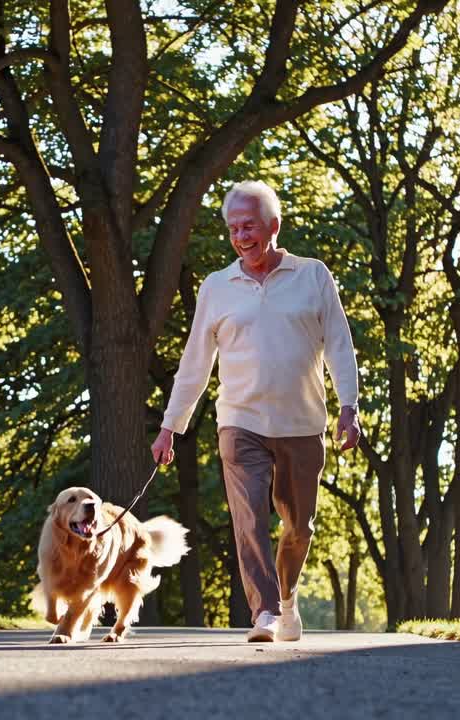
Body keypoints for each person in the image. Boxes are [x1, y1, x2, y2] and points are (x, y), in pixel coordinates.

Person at [151, 180, 361, 642]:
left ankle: (286, 602)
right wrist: (171, 426)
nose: (241, 236)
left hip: (301, 424)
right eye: (233, 229)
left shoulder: (313, 276)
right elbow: (195, 363)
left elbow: (340, 346)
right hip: (239, 420)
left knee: (298, 527)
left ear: (274, 226)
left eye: (249, 226)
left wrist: (350, 405)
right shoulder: (217, 287)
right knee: (248, 518)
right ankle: (263, 611)